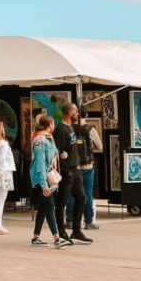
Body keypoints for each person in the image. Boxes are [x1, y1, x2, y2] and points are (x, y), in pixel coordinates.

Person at [53, 103, 91, 245]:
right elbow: (56, 152)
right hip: (67, 171)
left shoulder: (71, 128)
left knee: (81, 198)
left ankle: (76, 231)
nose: (77, 113)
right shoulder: (61, 130)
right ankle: (61, 233)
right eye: (75, 111)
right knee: (61, 202)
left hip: (76, 169)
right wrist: (65, 169)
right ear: (69, 112)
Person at [30, 116, 66, 248]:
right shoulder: (40, 140)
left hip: (48, 177)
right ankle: (57, 239)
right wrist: (43, 184)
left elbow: (52, 155)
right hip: (42, 178)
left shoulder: (49, 138)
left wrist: (62, 155)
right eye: (53, 123)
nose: (54, 125)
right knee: (50, 206)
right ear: (50, 125)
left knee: (43, 209)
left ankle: (36, 238)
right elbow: (39, 163)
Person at [67, 117, 102, 230]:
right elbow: (100, 147)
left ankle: (70, 221)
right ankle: (88, 221)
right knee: (87, 193)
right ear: (86, 114)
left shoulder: (70, 128)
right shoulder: (90, 129)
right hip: (87, 166)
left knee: (72, 194)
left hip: (73, 166)